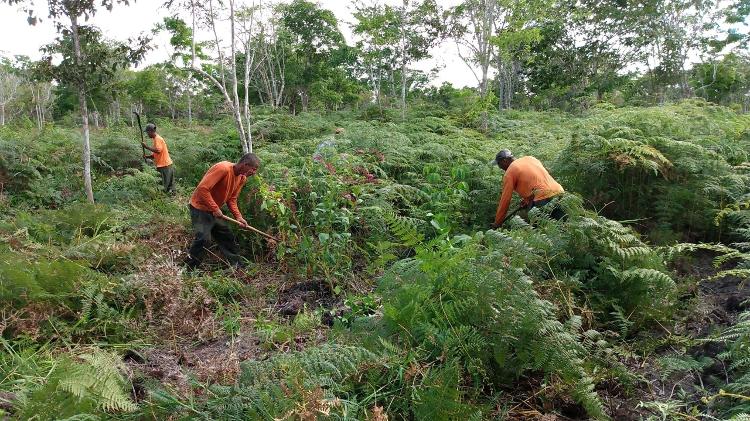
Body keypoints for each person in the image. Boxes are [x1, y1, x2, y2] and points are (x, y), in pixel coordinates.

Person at [186, 153, 260, 270]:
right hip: (199, 208)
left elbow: (232, 199)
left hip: (214, 211)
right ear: (245, 164)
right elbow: (202, 189)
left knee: (227, 236)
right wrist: (215, 208)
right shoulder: (223, 169)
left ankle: (238, 266)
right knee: (203, 239)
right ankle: (188, 269)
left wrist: (238, 217)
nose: (254, 172)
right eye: (253, 169)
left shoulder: (242, 178)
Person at [491, 149, 565, 228]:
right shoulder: (530, 159)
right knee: (563, 227)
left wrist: (498, 222)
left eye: (499, 164)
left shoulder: (510, 172)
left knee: (538, 233)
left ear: (504, 160)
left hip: (542, 198)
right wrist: (528, 199)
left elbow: (505, 200)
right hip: (558, 192)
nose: (499, 167)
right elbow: (538, 181)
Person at [142, 123, 175, 194]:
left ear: (150, 131)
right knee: (169, 185)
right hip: (166, 164)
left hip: (164, 166)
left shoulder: (158, 139)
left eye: (147, 132)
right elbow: (156, 154)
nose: (147, 134)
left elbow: (158, 150)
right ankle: (169, 199)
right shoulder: (156, 139)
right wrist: (147, 156)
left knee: (163, 186)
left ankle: (164, 200)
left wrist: (146, 147)